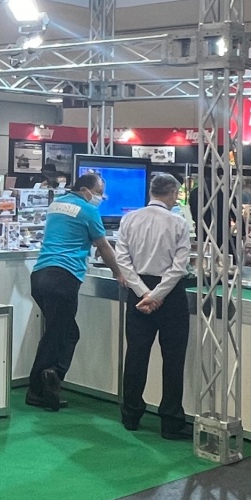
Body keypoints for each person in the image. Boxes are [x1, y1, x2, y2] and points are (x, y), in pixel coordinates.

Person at [27, 172, 144, 410]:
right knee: (56, 336)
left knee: (66, 333)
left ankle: (51, 379)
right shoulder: (89, 211)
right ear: (85, 190)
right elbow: (104, 246)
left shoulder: (57, 204)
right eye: (99, 192)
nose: (101, 197)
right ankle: (39, 388)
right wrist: (119, 273)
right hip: (63, 277)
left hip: (40, 276)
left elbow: (72, 234)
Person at [114, 173, 193, 440]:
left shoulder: (129, 219)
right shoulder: (178, 223)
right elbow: (179, 267)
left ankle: (131, 415)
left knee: (136, 354)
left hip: (139, 292)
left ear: (151, 191)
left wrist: (143, 293)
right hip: (170, 294)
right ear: (172, 193)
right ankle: (171, 421)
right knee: (173, 358)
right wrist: (158, 294)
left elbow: (122, 261)